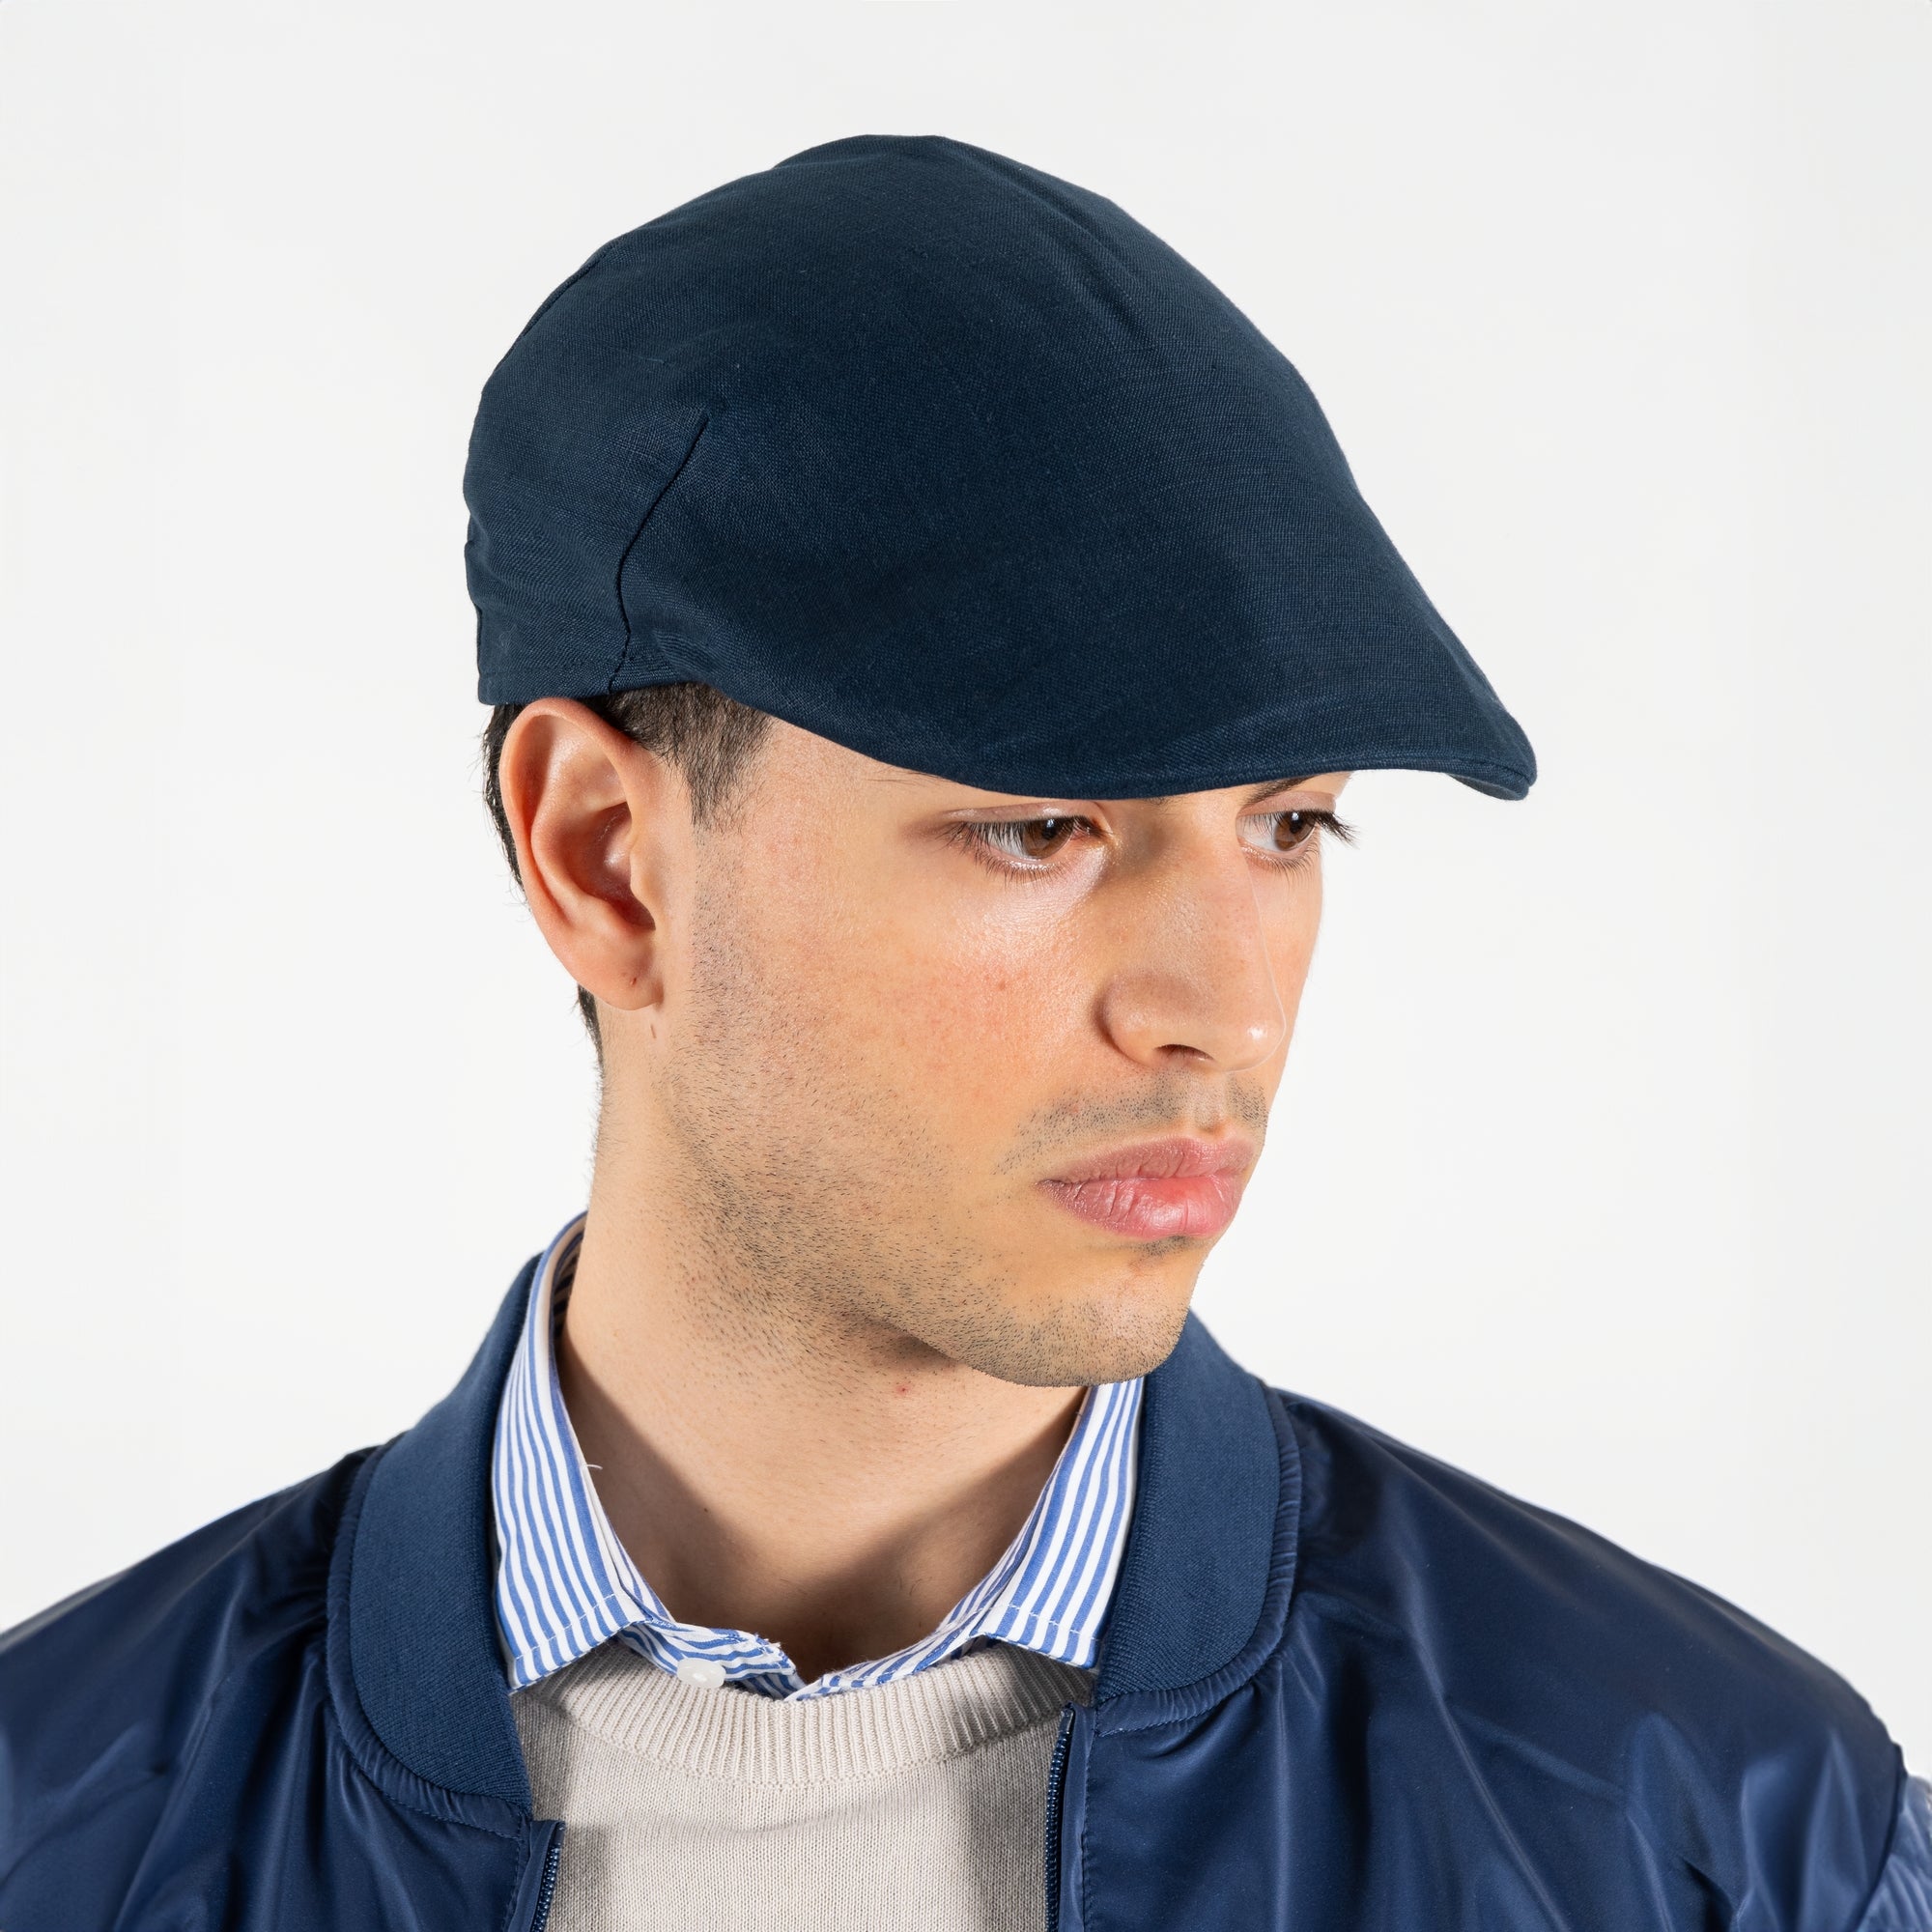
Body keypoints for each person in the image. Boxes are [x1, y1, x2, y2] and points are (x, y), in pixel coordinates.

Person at [0, 133, 1924, 1932]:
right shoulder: (58, 1831)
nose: (1223, 1009)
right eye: (1042, 828)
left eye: (1288, 825)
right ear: (607, 861)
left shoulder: (1707, 1836)